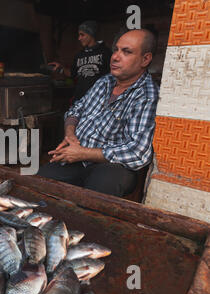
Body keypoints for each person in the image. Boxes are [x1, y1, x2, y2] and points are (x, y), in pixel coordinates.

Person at [37, 29, 159, 198]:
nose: (115, 57)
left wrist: (82, 153)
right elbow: (76, 109)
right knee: (40, 183)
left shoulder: (147, 95)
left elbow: (138, 152)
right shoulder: (105, 81)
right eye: (116, 49)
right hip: (77, 157)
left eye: (126, 52)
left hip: (111, 166)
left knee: (94, 199)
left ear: (145, 59)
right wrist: (70, 133)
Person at [49, 20, 112, 103]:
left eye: (82, 35)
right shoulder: (79, 55)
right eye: (79, 35)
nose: (79, 38)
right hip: (79, 100)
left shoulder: (106, 52)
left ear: (91, 34)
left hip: (97, 101)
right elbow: (72, 73)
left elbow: (113, 76)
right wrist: (60, 69)